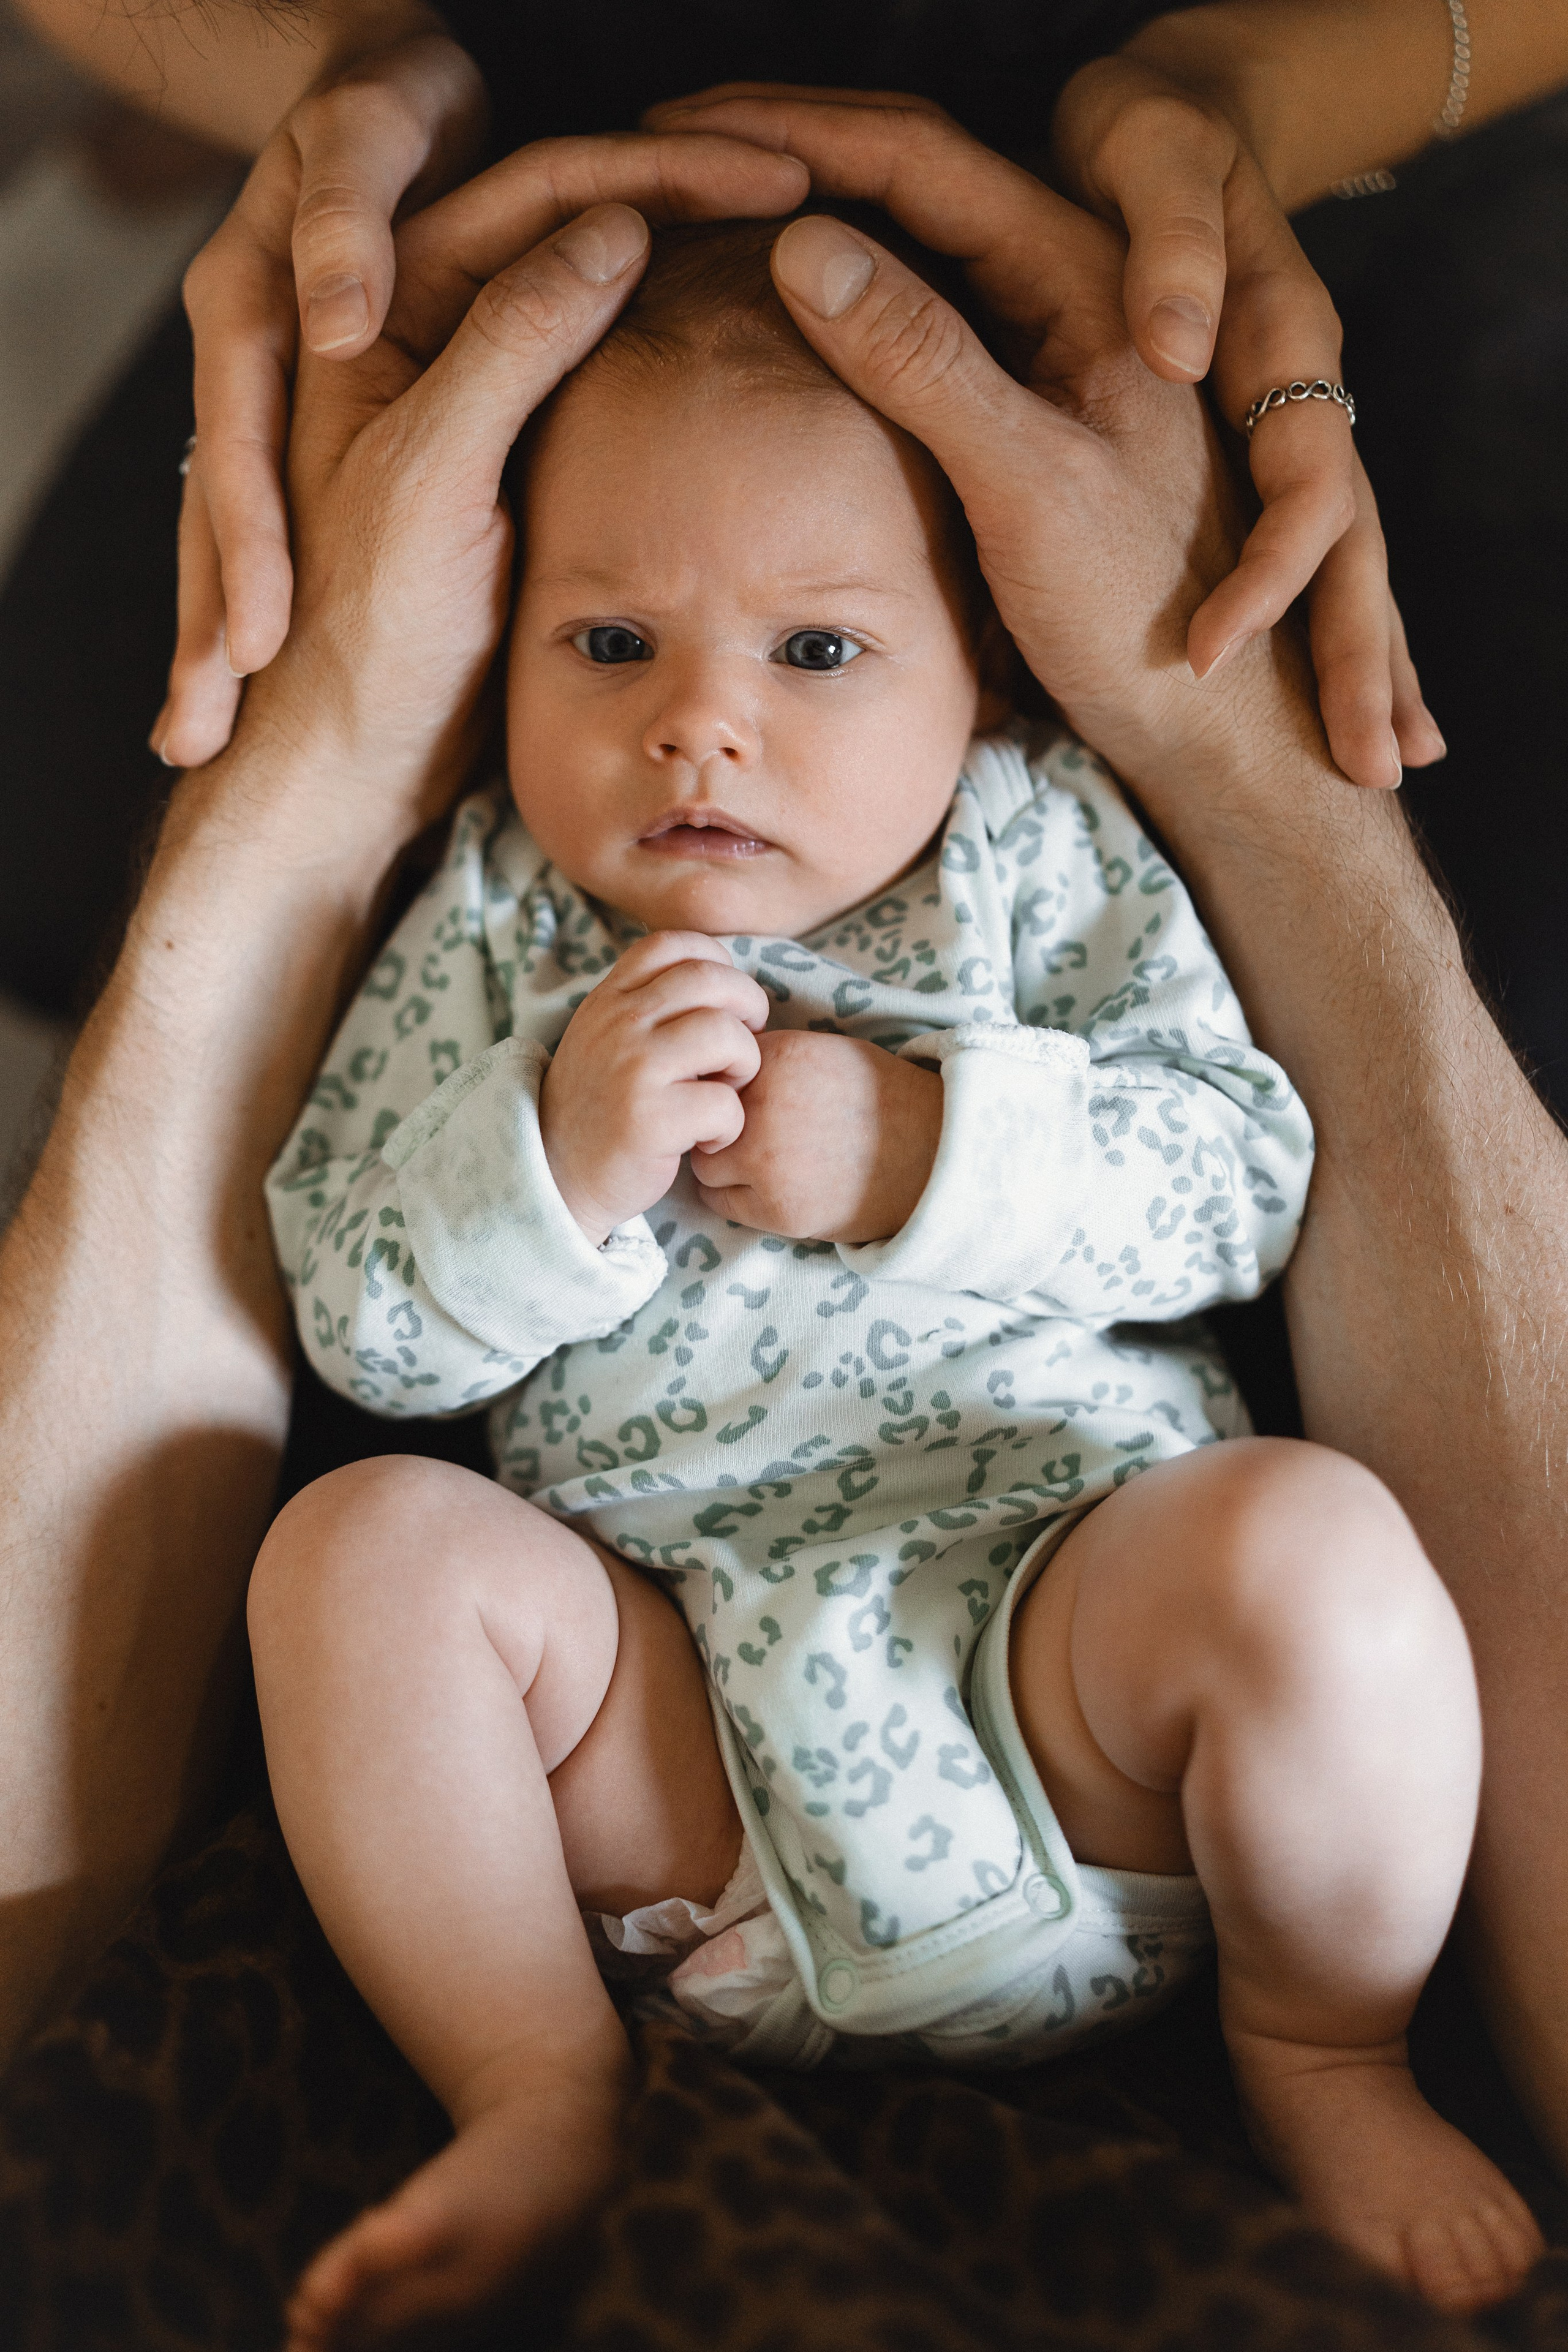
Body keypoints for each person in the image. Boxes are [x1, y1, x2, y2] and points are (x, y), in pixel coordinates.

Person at [0, 89, 1564, 2312]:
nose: (699, 732)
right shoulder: (494, 921)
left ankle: (1331, 2045)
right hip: (679, 1744)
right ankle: (535, 2078)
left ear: (992, 671)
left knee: (1313, 1561)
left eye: (819, 654)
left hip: (1070, 1663)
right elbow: (355, 1307)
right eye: (608, 646)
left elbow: (1239, 1178)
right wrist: (548, 1172)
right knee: (359, 1557)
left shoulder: (1038, 851)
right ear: (495, 652)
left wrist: (930, 1154)